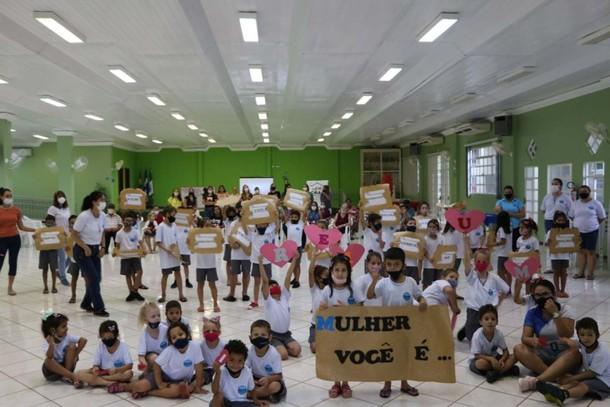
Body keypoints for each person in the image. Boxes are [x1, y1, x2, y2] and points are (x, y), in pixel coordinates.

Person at [367, 247, 426, 398]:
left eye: (396, 264)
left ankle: (404, 383)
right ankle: (387, 384)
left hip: (406, 328)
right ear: (385, 266)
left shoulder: (411, 282)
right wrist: (374, 280)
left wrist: (423, 301)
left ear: (403, 265)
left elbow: (419, 296)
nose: (392, 268)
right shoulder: (384, 283)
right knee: (388, 356)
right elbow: (370, 295)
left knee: (404, 356)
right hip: (388, 328)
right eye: (389, 265)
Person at [109, 321, 205, 399]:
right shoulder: (169, 350)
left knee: (178, 391)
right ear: (171, 342)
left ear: (187, 335)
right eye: (174, 337)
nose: (178, 338)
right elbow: (156, 365)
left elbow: (199, 367)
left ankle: (149, 392)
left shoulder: (195, 347)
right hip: (163, 374)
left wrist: (198, 387)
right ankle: (125, 386)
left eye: (181, 334)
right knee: (140, 386)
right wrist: (159, 383)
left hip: (181, 380)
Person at [514, 279, 579, 392]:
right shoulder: (532, 312)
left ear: (554, 295)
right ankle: (557, 377)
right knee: (518, 349)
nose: (542, 298)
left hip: (562, 354)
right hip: (542, 353)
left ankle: (537, 380)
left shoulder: (566, 310)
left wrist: (555, 313)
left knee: (575, 353)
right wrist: (532, 341)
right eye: (537, 295)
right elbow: (525, 338)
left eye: (545, 294)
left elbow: (567, 334)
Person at [535, 317, 610, 404]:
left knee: (583, 385)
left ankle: (564, 395)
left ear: (597, 335)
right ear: (578, 336)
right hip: (593, 376)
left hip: (605, 381)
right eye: (582, 335)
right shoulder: (583, 343)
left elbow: (592, 373)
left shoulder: (602, 352)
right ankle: (556, 390)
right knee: (574, 382)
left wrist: (571, 378)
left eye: (590, 335)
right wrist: (564, 340)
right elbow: (570, 342)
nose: (586, 338)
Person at [319, 255, 362, 398]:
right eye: (337, 270)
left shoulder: (353, 287)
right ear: (331, 271)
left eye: (343, 270)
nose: (340, 273)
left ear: (348, 272)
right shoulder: (327, 290)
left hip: (349, 331)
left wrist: (349, 307)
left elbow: (361, 305)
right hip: (332, 331)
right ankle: (336, 383)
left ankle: (346, 383)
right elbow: (320, 309)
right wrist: (324, 307)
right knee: (335, 357)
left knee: (346, 357)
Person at [457, 236, 510, 342]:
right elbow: (467, 262)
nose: (481, 264)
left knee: (487, 335)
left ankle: (468, 328)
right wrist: (466, 243)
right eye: (478, 261)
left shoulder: (494, 278)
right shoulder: (472, 276)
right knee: (473, 338)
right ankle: (467, 329)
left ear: (489, 263)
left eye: (484, 262)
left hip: (489, 310)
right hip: (474, 310)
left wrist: (498, 303)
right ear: (475, 262)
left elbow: (506, 290)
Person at [72, 190, 109, 316]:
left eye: (104, 200)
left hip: (95, 250)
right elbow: (74, 234)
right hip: (82, 250)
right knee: (93, 278)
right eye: (101, 200)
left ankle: (86, 303)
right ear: (94, 202)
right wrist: (85, 247)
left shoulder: (103, 215)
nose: (103, 202)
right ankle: (99, 307)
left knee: (97, 278)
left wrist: (103, 246)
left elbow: (102, 232)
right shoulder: (84, 216)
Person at [260, 253, 301, 360]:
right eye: (271, 286)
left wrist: (294, 260)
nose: (274, 287)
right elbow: (264, 281)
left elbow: (288, 276)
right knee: (283, 355)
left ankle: (280, 347)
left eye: (275, 285)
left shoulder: (284, 297)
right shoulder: (268, 300)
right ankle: (272, 346)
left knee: (297, 351)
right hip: (273, 335)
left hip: (286, 334)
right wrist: (260, 263)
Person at [469, 304, 519, 383]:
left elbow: (505, 351)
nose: (490, 322)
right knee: (481, 364)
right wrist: (491, 359)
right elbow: (476, 355)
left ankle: (496, 373)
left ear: (497, 322)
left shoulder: (498, 334)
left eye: (493, 319)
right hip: (480, 359)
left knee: (515, 356)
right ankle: (506, 370)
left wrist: (502, 360)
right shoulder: (477, 335)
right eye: (486, 319)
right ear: (480, 322)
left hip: (495, 358)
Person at [76, 320, 134, 387]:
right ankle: (109, 383)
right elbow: (96, 364)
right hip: (103, 372)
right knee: (79, 373)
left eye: (110, 337)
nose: (107, 340)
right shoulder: (101, 346)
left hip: (117, 372)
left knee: (129, 373)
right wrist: (96, 368)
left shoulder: (123, 347)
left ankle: (99, 381)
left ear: (116, 335)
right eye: (104, 338)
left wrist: (117, 370)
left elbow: (129, 365)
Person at [0, 187, 35, 295]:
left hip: (14, 239)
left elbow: (21, 226)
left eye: (10, 196)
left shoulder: (17, 210)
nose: (9, 198)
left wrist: (36, 230)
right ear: (1, 197)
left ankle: (10, 287)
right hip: (1, 240)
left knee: (13, 262)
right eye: (7, 196)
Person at [570, 185, 607, 280]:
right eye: (581, 191)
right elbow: (571, 216)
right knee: (580, 251)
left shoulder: (596, 203)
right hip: (578, 231)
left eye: (585, 191)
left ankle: (590, 273)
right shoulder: (575, 203)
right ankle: (580, 272)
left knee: (590, 252)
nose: (583, 192)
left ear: (589, 192)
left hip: (592, 231)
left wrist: (593, 224)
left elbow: (602, 217)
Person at [210, 339, 261, 407]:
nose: (235, 364)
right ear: (225, 359)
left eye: (240, 361)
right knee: (217, 397)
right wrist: (217, 373)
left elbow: (252, 389)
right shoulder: (221, 371)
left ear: (244, 361)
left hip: (241, 403)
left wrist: (256, 401)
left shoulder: (247, 372)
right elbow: (215, 391)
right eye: (231, 360)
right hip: (225, 402)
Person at [41, 312, 86, 386]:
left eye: (66, 325)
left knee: (72, 346)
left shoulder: (67, 337)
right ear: (53, 330)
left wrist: (75, 355)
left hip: (67, 366)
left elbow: (83, 340)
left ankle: (67, 376)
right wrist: (51, 344)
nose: (66, 328)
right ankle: (72, 376)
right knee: (48, 361)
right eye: (63, 326)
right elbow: (49, 357)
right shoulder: (48, 340)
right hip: (52, 372)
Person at [247, 320, 287, 403]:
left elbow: (279, 376)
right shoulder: (249, 351)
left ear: (270, 338)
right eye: (256, 335)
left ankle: (252, 395)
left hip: (271, 379)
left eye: (263, 335)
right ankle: (262, 394)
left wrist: (268, 379)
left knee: (275, 386)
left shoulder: (274, 354)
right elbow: (245, 369)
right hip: (255, 380)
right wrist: (250, 380)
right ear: (250, 338)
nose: (259, 337)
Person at [156, 206, 186, 303]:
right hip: (166, 256)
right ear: (167, 214)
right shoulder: (160, 226)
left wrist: (178, 252)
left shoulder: (174, 225)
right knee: (165, 275)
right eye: (173, 213)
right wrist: (167, 250)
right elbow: (158, 242)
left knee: (178, 273)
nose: (174, 216)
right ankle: (163, 295)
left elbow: (176, 239)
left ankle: (181, 294)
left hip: (175, 255)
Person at [113, 211, 145, 302]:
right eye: (127, 220)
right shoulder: (119, 233)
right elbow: (117, 246)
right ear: (123, 221)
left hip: (135, 256)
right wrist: (115, 252)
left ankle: (135, 290)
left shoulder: (135, 232)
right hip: (125, 257)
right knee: (128, 275)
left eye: (131, 221)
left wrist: (144, 249)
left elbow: (140, 242)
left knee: (139, 271)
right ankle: (131, 292)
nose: (128, 222)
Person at [192, 219, 220, 313]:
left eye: (209, 225)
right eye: (206, 225)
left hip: (211, 265)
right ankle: (201, 304)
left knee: (212, 285)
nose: (208, 227)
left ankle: (215, 304)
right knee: (200, 285)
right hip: (200, 265)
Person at [224, 208, 251, 303]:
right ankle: (231, 294)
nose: (242, 212)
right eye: (241, 210)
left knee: (246, 273)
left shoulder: (251, 223)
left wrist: (243, 244)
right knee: (233, 274)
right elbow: (229, 236)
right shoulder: (233, 224)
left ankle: (245, 293)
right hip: (235, 254)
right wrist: (233, 244)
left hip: (246, 254)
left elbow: (252, 237)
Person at [248, 223, 276, 309]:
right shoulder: (253, 234)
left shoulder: (270, 233)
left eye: (263, 224)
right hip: (256, 262)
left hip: (267, 262)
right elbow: (247, 225)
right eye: (259, 224)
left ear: (267, 225)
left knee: (267, 282)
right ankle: (255, 301)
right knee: (257, 282)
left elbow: (275, 223)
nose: (261, 226)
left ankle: (269, 300)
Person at [514, 218, 540, 304]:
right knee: (519, 281)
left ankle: (528, 297)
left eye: (523, 227)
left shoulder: (533, 240)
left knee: (528, 282)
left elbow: (536, 253)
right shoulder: (519, 239)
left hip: (529, 265)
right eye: (520, 227)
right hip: (520, 264)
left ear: (529, 229)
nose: (521, 229)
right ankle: (517, 297)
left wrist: (538, 264)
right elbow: (517, 252)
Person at [47, 190, 71, 286]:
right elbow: (49, 223)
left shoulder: (66, 209)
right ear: (56, 199)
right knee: (61, 256)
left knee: (71, 255)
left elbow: (69, 221)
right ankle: (63, 277)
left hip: (68, 234)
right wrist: (58, 231)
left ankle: (59, 271)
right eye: (59, 196)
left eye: (62, 196)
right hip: (58, 235)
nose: (61, 198)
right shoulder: (52, 209)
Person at [137, 302, 168, 373]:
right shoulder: (144, 335)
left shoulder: (165, 329)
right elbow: (141, 356)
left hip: (164, 357)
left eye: (158, 315)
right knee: (154, 358)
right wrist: (144, 365)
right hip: (151, 358)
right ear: (145, 320)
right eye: (153, 316)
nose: (157, 318)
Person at [546, 211, 571, 298]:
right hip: (555, 256)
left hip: (565, 256)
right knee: (556, 272)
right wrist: (549, 242)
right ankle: (557, 290)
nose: (561, 222)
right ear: (555, 221)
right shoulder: (551, 232)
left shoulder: (568, 232)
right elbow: (547, 244)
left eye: (562, 220)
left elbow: (571, 243)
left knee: (564, 272)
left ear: (565, 221)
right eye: (559, 220)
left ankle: (563, 290)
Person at [307, 256, 329, 354]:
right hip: (315, 325)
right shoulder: (314, 289)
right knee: (314, 348)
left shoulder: (330, 289)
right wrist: (313, 258)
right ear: (318, 278)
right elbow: (310, 272)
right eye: (325, 275)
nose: (328, 278)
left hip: (329, 324)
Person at [494, 185, 525, 251]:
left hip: (515, 227)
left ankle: (514, 259)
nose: (508, 194)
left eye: (509, 192)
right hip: (504, 228)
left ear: (512, 193)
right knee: (505, 246)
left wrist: (509, 214)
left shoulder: (518, 202)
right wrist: (514, 213)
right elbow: (497, 211)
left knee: (515, 246)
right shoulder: (500, 202)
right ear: (504, 193)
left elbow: (523, 214)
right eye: (506, 192)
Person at [282, 210, 306, 288]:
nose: (294, 218)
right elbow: (285, 219)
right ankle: (295, 278)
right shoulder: (288, 224)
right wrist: (288, 213)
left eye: (295, 217)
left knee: (297, 265)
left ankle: (297, 281)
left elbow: (304, 214)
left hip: (298, 247)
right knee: (292, 264)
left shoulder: (301, 224)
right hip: (290, 247)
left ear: (298, 218)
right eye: (292, 217)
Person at [200, 317, 225, 385]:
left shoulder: (223, 345)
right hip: (207, 370)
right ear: (203, 333)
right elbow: (199, 358)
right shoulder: (201, 345)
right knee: (200, 379)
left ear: (219, 332)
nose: (211, 333)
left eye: (214, 331)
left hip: (220, 369)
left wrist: (219, 363)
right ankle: (189, 387)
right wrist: (202, 363)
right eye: (207, 331)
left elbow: (224, 357)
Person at [174, 214, 194, 290]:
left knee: (186, 266)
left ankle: (187, 280)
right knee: (176, 266)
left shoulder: (189, 226)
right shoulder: (175, 226)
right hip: (177, 249)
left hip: (186, 249)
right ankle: (175, 281)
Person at [493, 211, 512, 289]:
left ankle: (506, 288)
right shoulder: (509, 228)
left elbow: (503, 241)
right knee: (508, 272)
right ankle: (508, 288)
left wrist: (493, 244)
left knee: (500, 272)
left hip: (502, 253)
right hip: (509, 253)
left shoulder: (501, 229)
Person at [422, 219, 441, 289]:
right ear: (427, 228)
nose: (431, 229)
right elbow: (424, 251)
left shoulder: (441, 238)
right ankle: (424, 297)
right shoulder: (425, 239)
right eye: (430, 227)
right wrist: (429, 258)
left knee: (437, 284)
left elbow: (442, 250)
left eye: (434, 227)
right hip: (428, 266)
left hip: (438, 265)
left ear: (437, 228)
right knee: (426, 284)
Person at [66, 215, 82, 304]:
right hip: (73, 260)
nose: (74, 224)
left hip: (84, 259)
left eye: (76, 222)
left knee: (87, 278)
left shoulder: (84, 235)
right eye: (71, 223)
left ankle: (88, 296)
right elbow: (67, 248)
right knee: (74, 278)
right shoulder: (69, 237)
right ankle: (73, 295)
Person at [223, 206, 237, 285]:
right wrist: (225, 206)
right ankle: (228, 279)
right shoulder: (226, 220)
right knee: (229, 262)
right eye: (229, 212)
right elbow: (224, 214)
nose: (231, 213)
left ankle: (236, 279)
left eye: (232, 212)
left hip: (236, 242)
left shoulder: (237, 220)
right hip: (228, 243)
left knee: (235, 262)